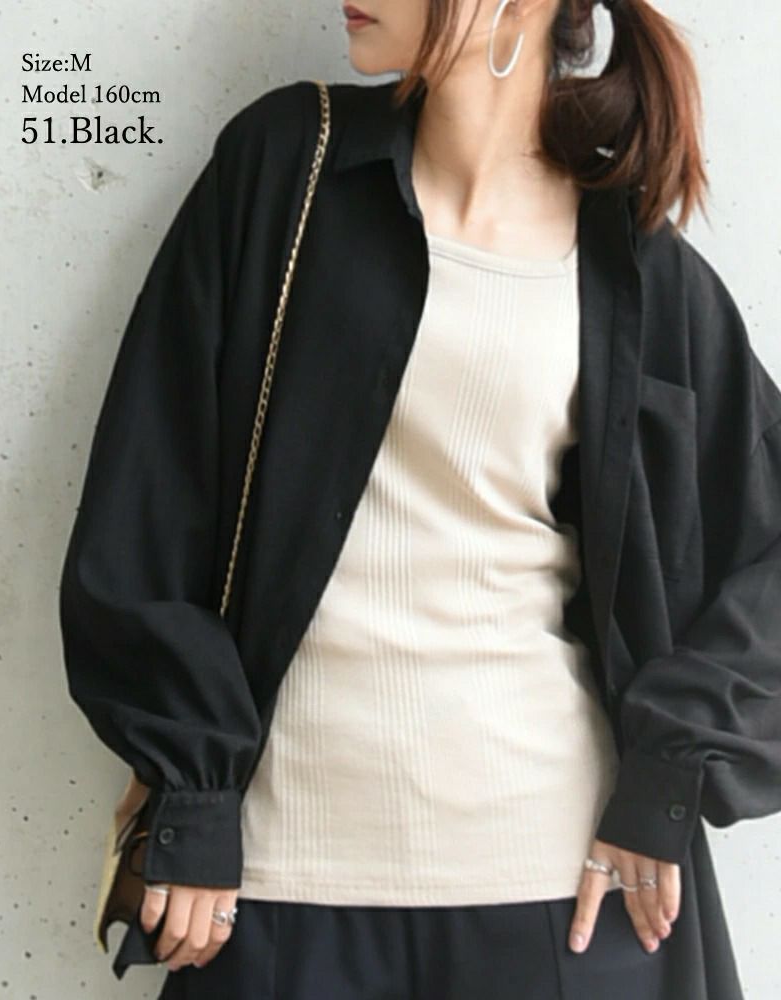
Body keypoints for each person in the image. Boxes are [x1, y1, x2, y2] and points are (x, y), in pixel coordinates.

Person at [58, 1, 781, 998]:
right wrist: (193, 784)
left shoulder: (635, 268)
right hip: (276, 881)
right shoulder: (288, 171)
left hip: (562, 888)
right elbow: (148, 494)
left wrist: (669, 770)